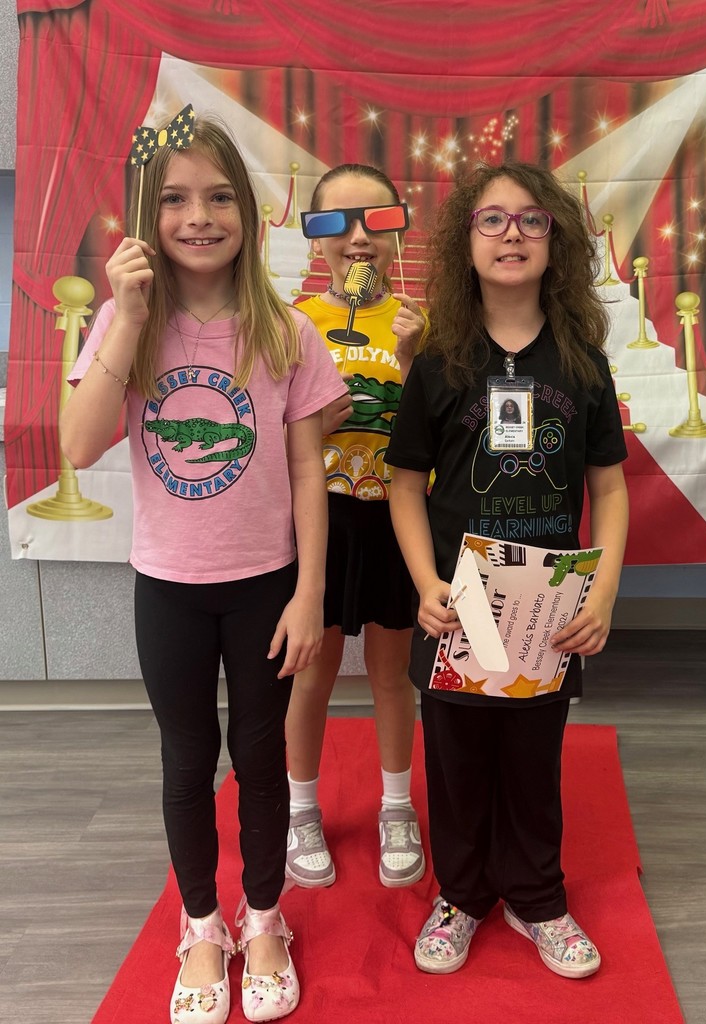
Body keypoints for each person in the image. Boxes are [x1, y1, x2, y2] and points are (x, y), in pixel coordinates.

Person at [60, 116, 347, 1023]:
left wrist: (310, 593)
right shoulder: (125, 325)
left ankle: (264, 919)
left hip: (266, 585)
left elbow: (309, 468)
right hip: (169, 589)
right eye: (176, 199)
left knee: (260, 760)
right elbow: (78, 444)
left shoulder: (286, 330)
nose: (199, 217)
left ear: (248, 214)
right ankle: (201, 926)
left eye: (220, 196)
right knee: (187, 759)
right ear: (149, 217)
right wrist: (129, 317)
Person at [386, 162, 629, 978]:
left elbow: (610, 487)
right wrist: (425, 584)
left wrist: (604, 590)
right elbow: (404, 484)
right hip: (457, 606)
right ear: (466, 242)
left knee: (531, 760)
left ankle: (538, 898)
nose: (512, 234)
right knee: (456, 761)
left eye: (531, 219)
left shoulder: (583, 361)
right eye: (491, 219)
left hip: (548, 611)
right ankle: (460, 895)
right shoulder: (439, 361)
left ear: (557, 241)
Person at [284, 164, 427, 888]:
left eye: (375, 220)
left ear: (398, 231)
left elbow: (445, 431)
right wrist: (309, 429)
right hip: (320, 520)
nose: (358, 238)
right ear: (316, 239)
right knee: (310, 673)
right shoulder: (293, 322)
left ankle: (397, 806)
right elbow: (263, 433)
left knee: (391, 674)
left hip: (398, 517)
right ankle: (300, 810)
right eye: (337, 223)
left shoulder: (418, 322)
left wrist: (412, 361)